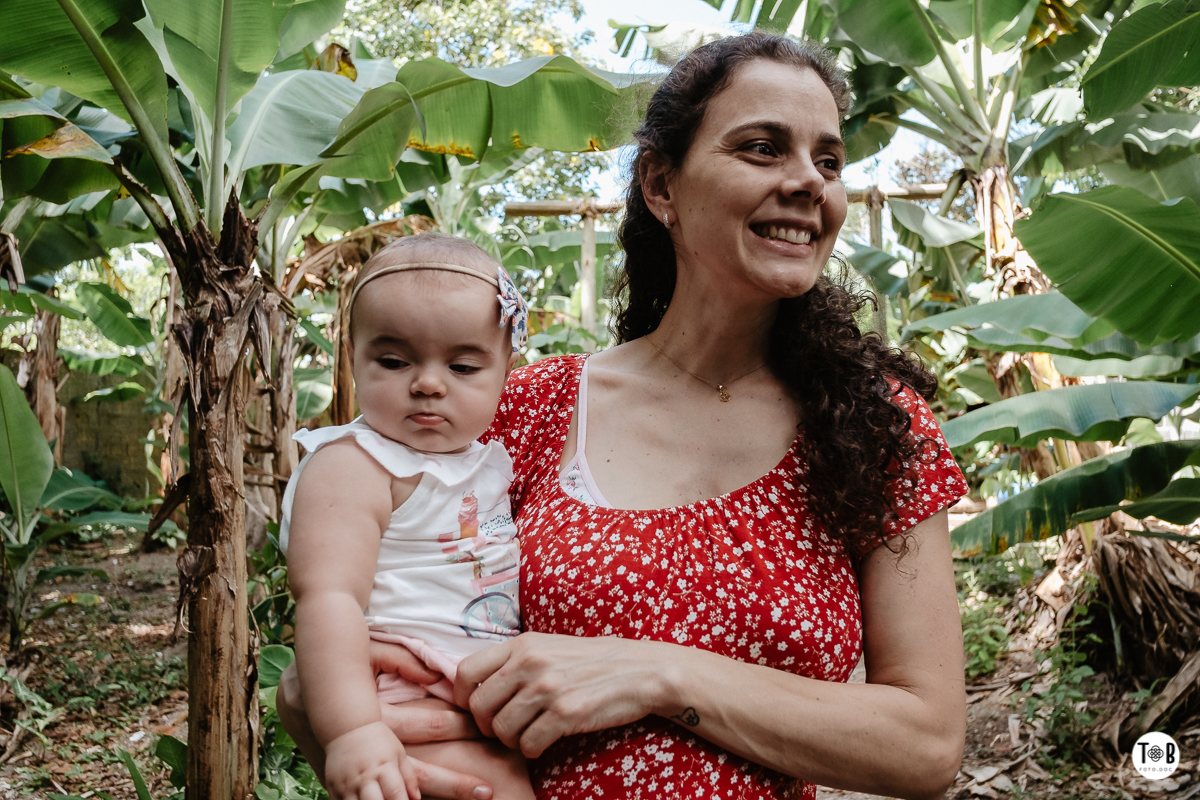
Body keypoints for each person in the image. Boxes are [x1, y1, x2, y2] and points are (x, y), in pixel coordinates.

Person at [280, 32, 968, 800]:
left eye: (829, 160)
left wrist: (656, 671)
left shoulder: (875, 426)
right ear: (661, 187)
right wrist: (335, 719)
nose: (810, 181)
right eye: (764, 148)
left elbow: (928, 745)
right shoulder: (529, 409)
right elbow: (361, 612)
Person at [280, 234, 535, 800]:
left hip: (470, 691)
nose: (427, 382)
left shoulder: (480, 460)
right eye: (394, 361)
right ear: (352, 358)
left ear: (506, 370)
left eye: (464, 365)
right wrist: (355, 730)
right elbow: (327, 597)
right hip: (399, 695)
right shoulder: (355, 465)